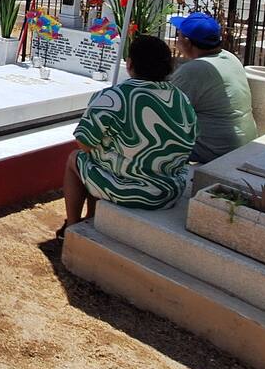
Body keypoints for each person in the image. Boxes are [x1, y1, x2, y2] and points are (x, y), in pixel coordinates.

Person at [60, 35, 198, 237]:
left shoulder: (114, 97)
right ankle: (92, 214)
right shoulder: (181, 99)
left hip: (128, 190)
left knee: (77, 159)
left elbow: (84, 143)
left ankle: (71, 226)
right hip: (169, 190)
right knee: (100, 159)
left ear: (130, 64)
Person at [168, 11, 258, 163]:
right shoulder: (230, 57)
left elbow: (167, 113)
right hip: (245, 141)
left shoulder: (194, 70)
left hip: (215, 150)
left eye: (179, 35)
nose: (177, 39)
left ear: (187, 42)